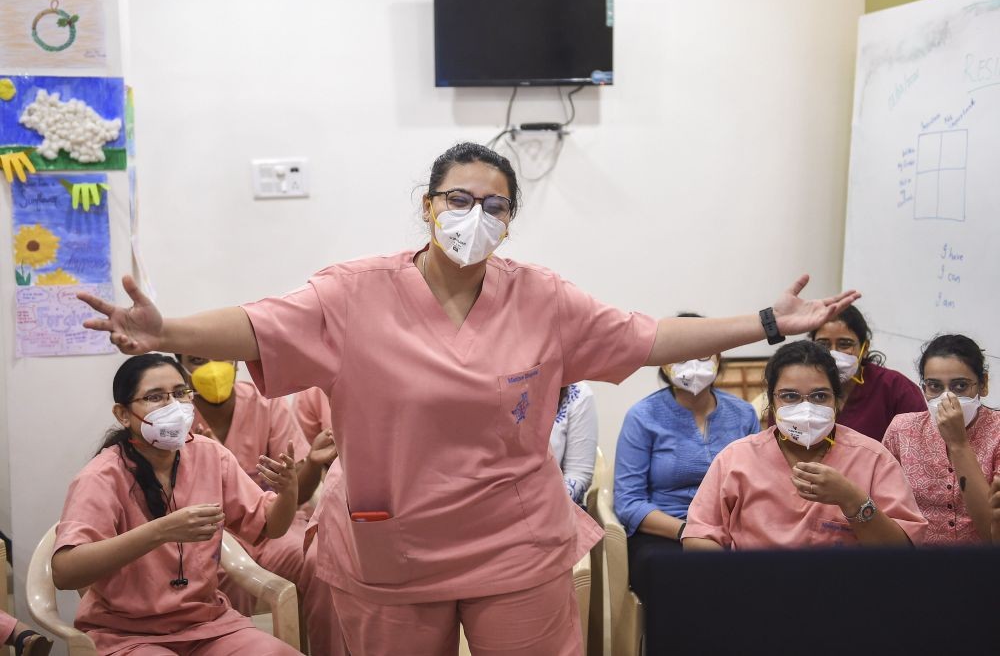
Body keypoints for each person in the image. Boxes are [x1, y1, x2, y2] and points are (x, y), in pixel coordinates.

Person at [78, 142, 858, 655]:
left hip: (513, 541)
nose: (474, 217)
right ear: (427, 203)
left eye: (495, 206)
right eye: (459, 198)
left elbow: (646, 337)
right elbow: (257, 324)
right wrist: (165, 326)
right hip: (392, 543)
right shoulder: (353, 294)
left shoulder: (544, 299)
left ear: (511, 222)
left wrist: (765, 320)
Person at [50, 354, 300, 655]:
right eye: (155, 397)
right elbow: (65, 572)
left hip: (210, 626)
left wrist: (288, 492)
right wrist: (161, 531)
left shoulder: (210, 455)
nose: (173, 406)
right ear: (123, 414)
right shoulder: (102, 476)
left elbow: (270, 525)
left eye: (180, 393)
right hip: (128, 633)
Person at [683, 340, 926, 551]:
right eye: (790, 396)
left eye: (820, 396)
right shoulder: (736, 459)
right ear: (772, 401)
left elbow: (901, 551)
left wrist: (851, 499)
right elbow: (698, 536)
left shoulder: (873, 459)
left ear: (838, 401)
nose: (806, 408)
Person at [177, 355, 346, 654]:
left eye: (221, 357)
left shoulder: (265, 405)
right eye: (197, 359)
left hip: (273, 527)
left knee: (321, 559)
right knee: (216, 574)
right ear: (181, 367)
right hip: (212, 532)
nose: (212, 368)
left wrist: (309, 468)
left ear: (236, 363)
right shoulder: (175, 420)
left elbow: (296, 495)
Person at [614, 313, 759, 600]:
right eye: (682, 353)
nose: (693, 362)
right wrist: (689, 531)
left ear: (719, 357)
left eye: (703, 353)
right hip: (665, 533)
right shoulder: (642, 417)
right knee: (690, 579)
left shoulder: (744, 414)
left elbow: (757, 484)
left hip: (731, 532)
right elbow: (629, 503)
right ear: (664, 361)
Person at [883, 334, 1000, 545]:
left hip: (984, 565)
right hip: (917, 564)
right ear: (923, 388)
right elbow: (885, 511)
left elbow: (993, 534)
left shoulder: (997, 433)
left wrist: (958, 443)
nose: (947, 398)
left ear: (983, 385)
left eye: (960, 386)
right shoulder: (903, 429)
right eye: (935, 387)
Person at [807, 305, 925, 440]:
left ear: (865, 348)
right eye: (823, 344)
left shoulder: (894, 387)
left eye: (845, 344)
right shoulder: (799, 385)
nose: (833, 353)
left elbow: (921, 445)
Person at [549, 383, 598, 506]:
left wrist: (547, 508)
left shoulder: (578, 393)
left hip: (551, 504)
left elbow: (579, 474)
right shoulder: (501, 389)